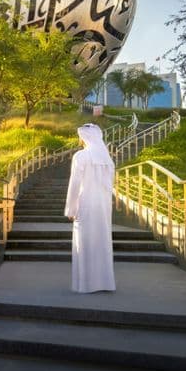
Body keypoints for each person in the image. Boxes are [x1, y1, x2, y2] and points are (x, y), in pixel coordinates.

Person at [64, 123, 116, 293]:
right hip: (103, 205)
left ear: (85, 137)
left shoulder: (81, 156)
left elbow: (75, 184)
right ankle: (104, 283)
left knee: (85, 241)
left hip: (85, 203)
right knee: (101, 241)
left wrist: (71, 209)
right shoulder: (108, 160)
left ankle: (86, 284)